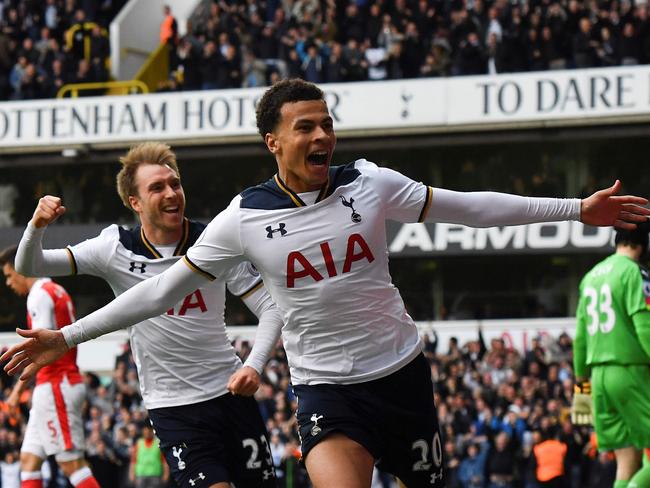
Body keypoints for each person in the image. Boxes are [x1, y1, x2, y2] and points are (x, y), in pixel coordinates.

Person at [3, 79, 650, 488]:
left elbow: (472, 206)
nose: (321, 135)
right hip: (322, 390)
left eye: (326, 123)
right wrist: (66, 334)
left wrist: (576, 209)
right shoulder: (242, 219)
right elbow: (158, 291)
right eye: (304, 127)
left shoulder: (370, 184)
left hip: (400, 372)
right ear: (273, 142)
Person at [10, 142, 282, 488]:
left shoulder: (214, 242)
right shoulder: (113, 248)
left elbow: (270, 307)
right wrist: (36, 226)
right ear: (134, 202)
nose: (171, 193)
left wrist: (253, 365)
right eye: (157, 187)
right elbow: (30, 265)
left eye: (175, 184)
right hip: (173, 408)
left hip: (231, 394)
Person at [0, 245, 101, 488]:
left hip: (57, 385)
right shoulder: (56, 290)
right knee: (29, 460)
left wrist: (15, 392)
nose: (8, 282)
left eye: (8, 275)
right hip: (56, 384)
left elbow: (42, 347)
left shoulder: (39, 294)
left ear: (20, 269)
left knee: (71, 464)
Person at [572, 221, 650, 488]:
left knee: (627, 461)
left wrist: (581, 390)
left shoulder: (590, 277)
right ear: (643, 244)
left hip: (598, 379)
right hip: (630, 372)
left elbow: (580, 338)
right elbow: (645, 327)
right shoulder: (634, 273)